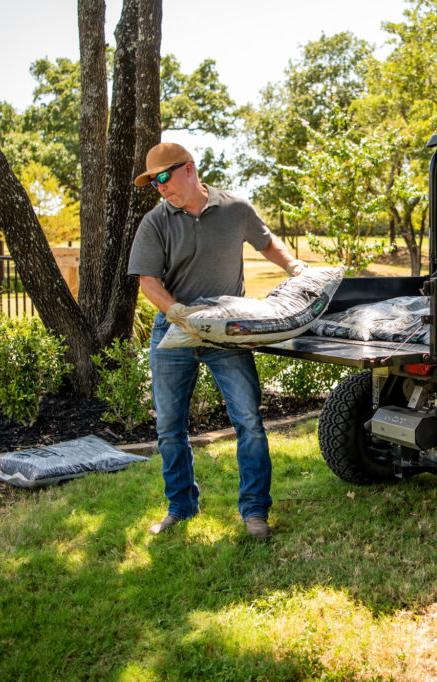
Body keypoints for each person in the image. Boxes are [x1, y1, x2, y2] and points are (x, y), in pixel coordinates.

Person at [127, 142, 305, 538]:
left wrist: (292, 265)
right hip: (175, 331)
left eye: (163, 177)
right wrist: (176, 311)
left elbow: (266, 241)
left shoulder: (234, 209)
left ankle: (255, 512)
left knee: (249, 422)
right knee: (170, 427)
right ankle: (181, 506)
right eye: (152, 182)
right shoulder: (155, 222)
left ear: (188, 169)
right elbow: (148, 282)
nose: (159, 187)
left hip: (227, 332)